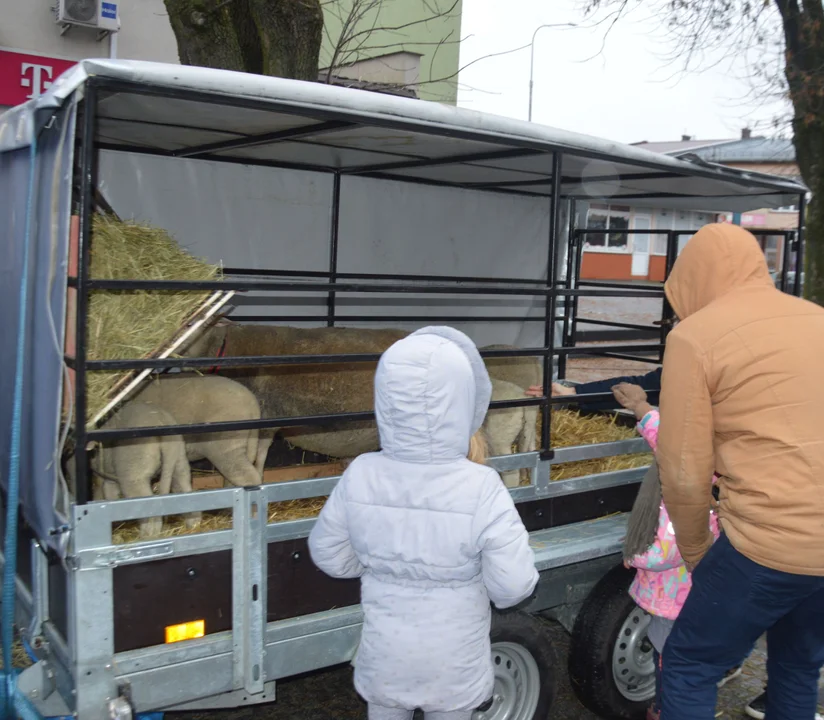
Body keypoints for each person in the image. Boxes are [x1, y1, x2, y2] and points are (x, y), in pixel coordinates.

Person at [307, 326, 539, 720]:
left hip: (386, 657)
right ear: (463, 400)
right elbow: (513, 586)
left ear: (386, 398)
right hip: (454, 663)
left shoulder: (362, 471)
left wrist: (378, 568)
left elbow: (327, 553)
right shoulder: (481, 485)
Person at [652, 224, 824, 720]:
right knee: (796, 668)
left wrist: (696, 552)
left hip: (767, 545)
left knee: (689, 663)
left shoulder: (695, 336)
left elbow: (685, 470)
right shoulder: (816, 317)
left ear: (694, 275)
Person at [613, 382, 735, 720]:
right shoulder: (715, 476)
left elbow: (666, 550)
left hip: (674, 603)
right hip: (695, 598)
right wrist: (641, 407)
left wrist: (632, 556)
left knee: (672, 664)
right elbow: (665, 440)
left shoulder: (684, 500)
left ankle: (667, 710)